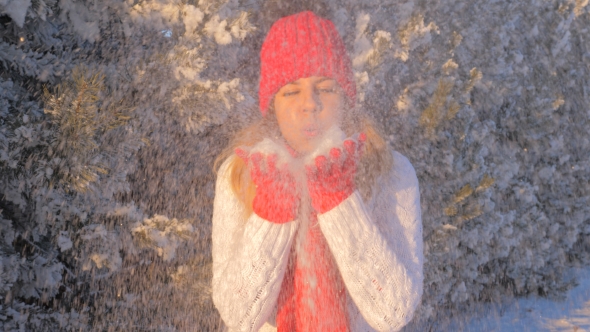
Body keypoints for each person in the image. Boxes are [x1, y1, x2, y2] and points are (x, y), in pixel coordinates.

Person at [211, 11, 423, 332]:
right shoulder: (241, 173)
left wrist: (339, 200)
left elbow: (393, 312)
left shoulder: (391, 173)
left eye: (325, 88)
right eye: (291, 91)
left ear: (346, 98)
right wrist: (274, 211)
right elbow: (239, 316)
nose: (310, 104)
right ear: (272, 106)